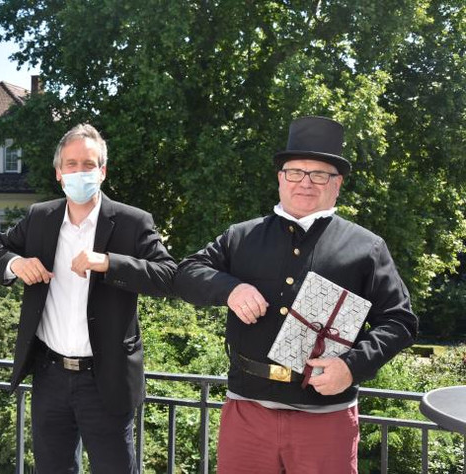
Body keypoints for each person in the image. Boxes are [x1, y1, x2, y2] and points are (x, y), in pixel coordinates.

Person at [174, 116, 418, 474]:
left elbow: (400, 322)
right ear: (280, 178)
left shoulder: (367, 248)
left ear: (337, 184)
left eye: (319, 174)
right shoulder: (240, 236)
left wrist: (351, 367)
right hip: (246, 411)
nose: (305, 183)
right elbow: (186, 273)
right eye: (295, 172)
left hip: (326, 418)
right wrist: (230, 288)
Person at [0, 124, 176, 473]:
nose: (79, 172)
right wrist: (16, 263)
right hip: (50, 374)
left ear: (102, 171)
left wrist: (109, 263)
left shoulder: (132, 222)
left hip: (106, 378)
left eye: (88, 164)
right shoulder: (41, 217)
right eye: (71, 164)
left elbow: (168, 276)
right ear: (59, 173)